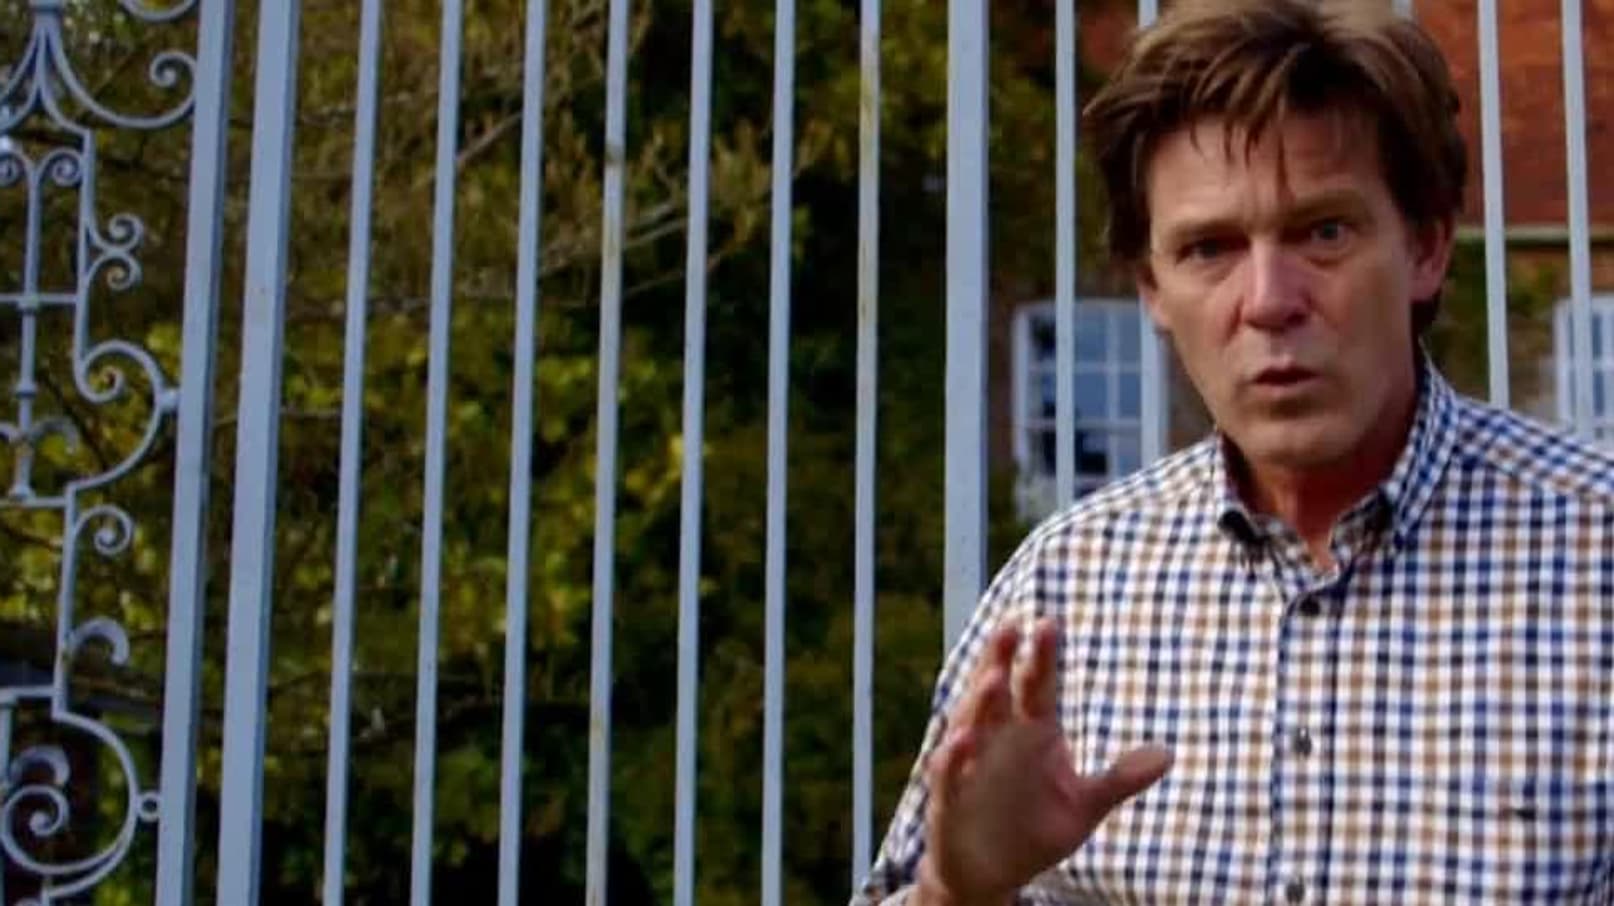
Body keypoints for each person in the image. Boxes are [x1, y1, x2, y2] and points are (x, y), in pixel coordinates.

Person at [852, 0, 1614, 902]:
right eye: (1210, 248)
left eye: (1323, 232)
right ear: (1152, 288)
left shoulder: (1595, 557)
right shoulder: (1066, 587)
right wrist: (958, 888)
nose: (1268, 301)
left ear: (1426, 247)